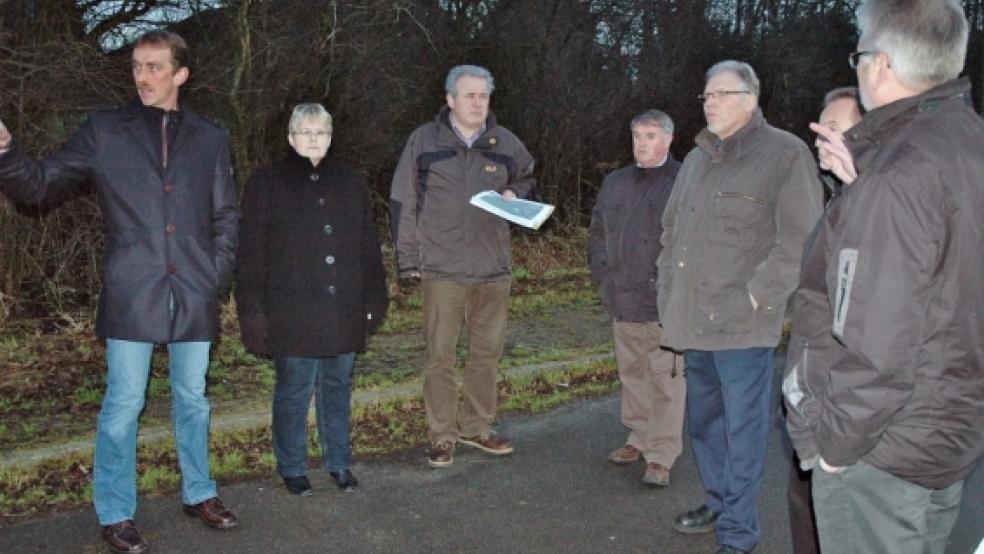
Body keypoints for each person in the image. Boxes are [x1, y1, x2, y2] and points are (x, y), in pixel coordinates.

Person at [0, 30, 239, 553]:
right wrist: (5, 150)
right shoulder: (105, 131)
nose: (142, 77)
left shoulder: (210, 138)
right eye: (135, 67)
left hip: (194, 293)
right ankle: (115, 512)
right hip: (134, 291)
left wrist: (213, 276)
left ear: (181, 74)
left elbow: (226, 215)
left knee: (193, 400)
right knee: (124, 403)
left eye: (154, 67)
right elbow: (39, 184)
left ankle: (199, 491)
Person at [783, 1, 984, 552]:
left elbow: (877, 342)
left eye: (860, 56)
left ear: (880, 64)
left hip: (883, 450)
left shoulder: (899, 174)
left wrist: (834, 449)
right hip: (949, 431)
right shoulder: (966, 144)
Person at [656, 60, 822, 554]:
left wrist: (757, 296)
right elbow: (671, 232)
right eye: (706, 95)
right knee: (706, 426)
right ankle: (718, 501)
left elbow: (801, 238)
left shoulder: (784, 155)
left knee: (743, 433)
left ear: (750, 98)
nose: (709, 102)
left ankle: (739, 535)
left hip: (744, 326)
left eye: (721, 93)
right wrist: (667, 290)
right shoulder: (696, 159)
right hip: (693, 320)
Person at [236, 103, 388, 496]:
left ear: (331, 137)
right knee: (294, 390)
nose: (313, 139)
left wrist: (375, 297)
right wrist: (253, 314)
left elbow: (366, 245)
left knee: (337, 385)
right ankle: (292, 466)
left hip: (343, 307)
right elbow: (251, 254)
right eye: (305, 132)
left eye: (320, 132)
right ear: (290, 137)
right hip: (291, 311)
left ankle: (338, 461)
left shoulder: (350, 181)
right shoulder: (266, 183)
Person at [389, 65, 535, 468]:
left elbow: (528, 177)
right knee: (440, 356)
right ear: (450, 99)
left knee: (486, 354)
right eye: (469, 95)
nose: (477, 103)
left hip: (493, 269)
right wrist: (408, 260)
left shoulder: (504, 142)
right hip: (442, 270)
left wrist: (513, 192)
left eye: (483, 96)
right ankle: (442, 434)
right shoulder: (424, 141)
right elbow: (403, 201)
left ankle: (477, 427)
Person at [588, 109, 685, 487]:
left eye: (649, 136)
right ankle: (638, 436)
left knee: (666, 380)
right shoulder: (616, 182)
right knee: (632, 374)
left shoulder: (682, 181)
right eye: (636, 136)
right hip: (622, 297)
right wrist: (602, 274)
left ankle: (661, 454)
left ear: (668, 139)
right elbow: (597, 230)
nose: (641, 144)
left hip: (663, 303)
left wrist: (673, 286)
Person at [785, 86, 862, 554]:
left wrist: (835, 432)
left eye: (833, 128)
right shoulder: (834, 200)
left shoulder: (881, 209)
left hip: (843, 416)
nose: (819, 137)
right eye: (817, 126)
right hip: (811, 402)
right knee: (806, 514)